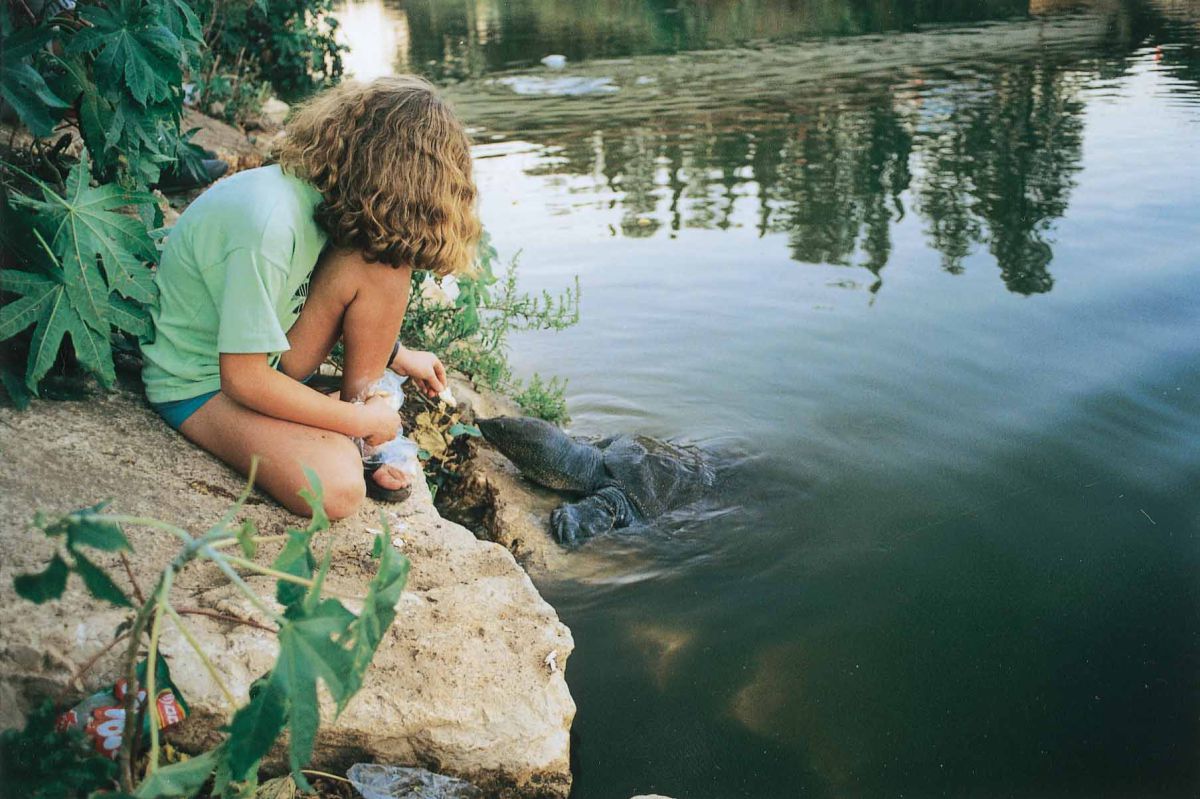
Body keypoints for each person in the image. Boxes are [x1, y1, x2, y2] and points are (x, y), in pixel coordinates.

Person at [140, 76, 480, 520]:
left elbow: (319, 291)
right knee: (337, 489)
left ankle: (361, 417)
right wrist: (357, 422)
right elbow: (242, 379)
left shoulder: (324, 200)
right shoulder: (271, 222)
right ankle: (359, 426)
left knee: (385, 261)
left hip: (268, 355)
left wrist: (396, 354)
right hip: (201, 386)